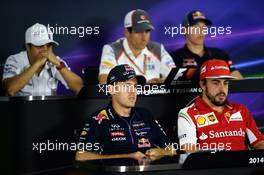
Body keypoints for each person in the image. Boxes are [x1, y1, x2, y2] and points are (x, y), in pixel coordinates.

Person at [76, 64, 175, 161]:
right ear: (112, 89)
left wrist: (161, 152)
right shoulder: (98, 120)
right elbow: (81, 156)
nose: (133, 91)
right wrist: (128, 157)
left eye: (135, 86)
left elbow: (171, 149)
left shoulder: (145, 115)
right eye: (127, 86)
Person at [177, 59, 264, 153]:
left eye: (225, 83)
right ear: (203, 85)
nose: (222, 89)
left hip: (243, 167)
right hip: (210, 166)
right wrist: (220, 153)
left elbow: (258, 142)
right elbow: (188, 150)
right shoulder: (187, 114)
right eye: (216, 83)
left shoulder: (241, 110)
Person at [2, 23, 83, 96]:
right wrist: (36, 64)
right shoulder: (15, 60)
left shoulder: (56, 61)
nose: (45, 49)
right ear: (28, 47)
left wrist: (59, 64)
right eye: (39, 45)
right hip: (22, 110)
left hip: (49, 110)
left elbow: (79, 87)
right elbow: (10, 89)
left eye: (48, 45)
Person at [98, 9, 176, 84]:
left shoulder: (158, 49)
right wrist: (141, 86)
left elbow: (176, 77)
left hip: (155, 97)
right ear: (127, 32)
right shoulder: (112, 49)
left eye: (147, 31)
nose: (144, 37)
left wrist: (158, 82)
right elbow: (105, 81)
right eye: (139, 32)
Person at [170, 10, 243, 81]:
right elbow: (163, 86)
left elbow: (240, 82)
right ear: (184, 30)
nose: (201, 31)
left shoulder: (220, 55)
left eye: (204, 27)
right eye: (196, 27)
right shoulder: (173, 58)